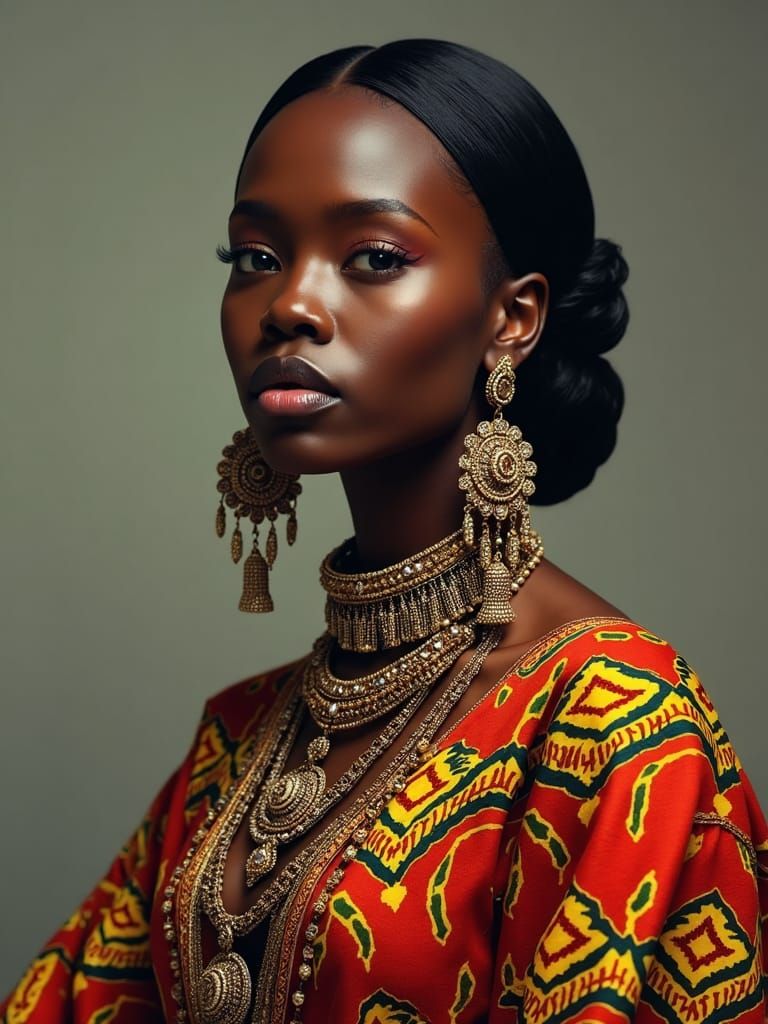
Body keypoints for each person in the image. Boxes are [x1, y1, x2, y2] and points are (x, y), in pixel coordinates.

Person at [3, 37, 766, 1024]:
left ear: (512, 317)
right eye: (256, 257)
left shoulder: (616, 721)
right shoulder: (238, 735)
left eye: (373, 257)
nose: (290, 304)